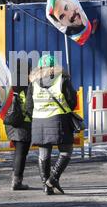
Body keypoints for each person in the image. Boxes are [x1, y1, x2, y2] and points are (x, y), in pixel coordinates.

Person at [26, 54, 77, 195]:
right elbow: (72, 101)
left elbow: (28, 106)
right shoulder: (62, 79)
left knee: (44, 153)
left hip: (38, 120)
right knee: (66, 150)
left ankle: (46, 186)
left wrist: (38, 114)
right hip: (58, 119)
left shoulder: (33, 82)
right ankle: (53, 179)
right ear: (55, 66)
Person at [4, 59, 32, 190]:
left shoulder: (9, 83)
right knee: (21, 153)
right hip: (23, 123)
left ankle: (15, 178)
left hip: (10, 123)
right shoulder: (27, 85)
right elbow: (29, 105)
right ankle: (17, 181)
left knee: (18, 152)